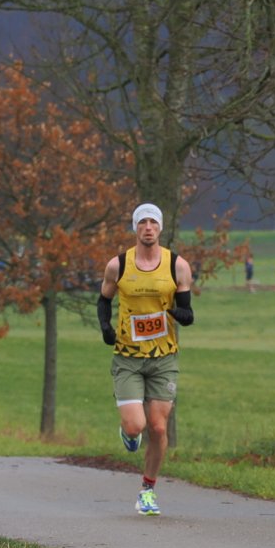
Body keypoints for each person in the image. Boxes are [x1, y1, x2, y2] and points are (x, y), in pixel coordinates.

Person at [97, 203, 195, 517]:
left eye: (153, 222)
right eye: (142, 222)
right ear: (135, 228)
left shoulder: (177, 266)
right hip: (127, 357)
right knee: (136, 425)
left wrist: (182, 314)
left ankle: (148, 490)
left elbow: (187, 311)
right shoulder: (118, 265)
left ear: (160, 228)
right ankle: (128, 432)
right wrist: (105, 326)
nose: (148, 227)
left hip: (163, 358)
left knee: (159, 428)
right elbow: (104, 299)